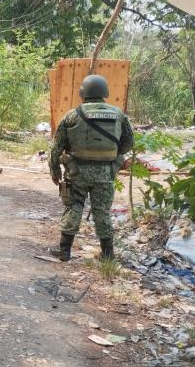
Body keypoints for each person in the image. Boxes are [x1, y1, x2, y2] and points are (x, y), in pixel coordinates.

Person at [48, 74, 134, 261]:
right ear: (105, 92)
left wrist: (55, 171)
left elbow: (55, 148)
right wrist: (111, 156)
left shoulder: (73, 115)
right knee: (102, 211)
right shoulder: (118, 114)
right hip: (106, 173)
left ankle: (64, 251)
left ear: (82, 93)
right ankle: (108, 254)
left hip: (77, 172)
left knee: (74, 207)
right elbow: (128, 143)